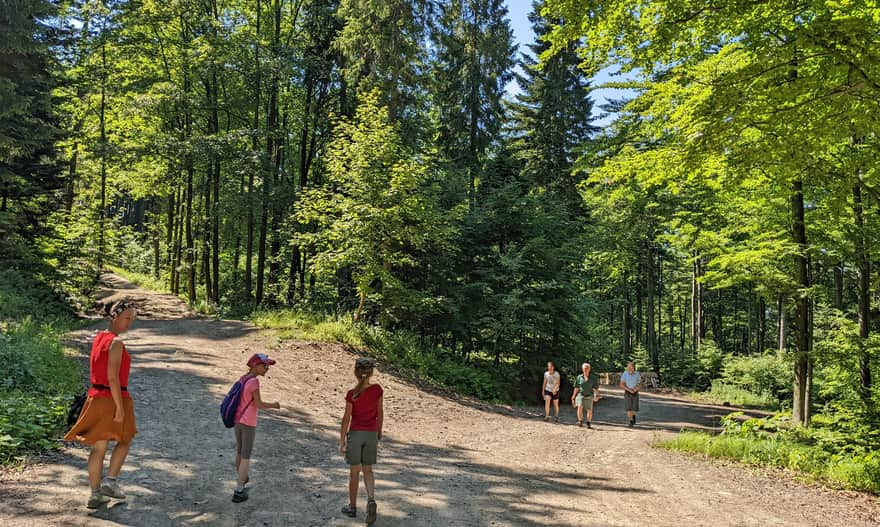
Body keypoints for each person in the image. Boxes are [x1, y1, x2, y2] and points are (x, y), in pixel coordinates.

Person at [65, 300, 138, 509]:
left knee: (99, 448)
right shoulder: (116, 342)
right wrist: (120, 408)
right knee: (125, 438)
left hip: (95, 397)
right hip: (113, 397)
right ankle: (111, 482)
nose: (129, 323)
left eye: (132, 319)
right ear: (115, 316)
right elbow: (113, 378)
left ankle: (95, 494)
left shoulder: (99, 338)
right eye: (127, 318)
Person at [231, 353, 282, 503]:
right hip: (248, 423)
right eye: (264, 365)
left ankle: (242, 479)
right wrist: (274, 405)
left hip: (238, 421)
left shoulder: (243, 378)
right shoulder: (254, 382)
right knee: (246, 456)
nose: (267, 368)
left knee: (240, 452)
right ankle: (239, 490)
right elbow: (258, 404)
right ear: (255, 366)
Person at [339, 357, 384, 525]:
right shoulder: (378, 390)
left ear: (356, 372)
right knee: (368, 471)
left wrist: (342, 440)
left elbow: (346, 419)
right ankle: (371, 499)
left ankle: (352, 507)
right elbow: (380, 413)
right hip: (371, 433)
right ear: (371, 372)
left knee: (354, 473)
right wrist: (378, 432)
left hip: (356, 434)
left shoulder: (352, 394)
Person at [571, 362, 599, 428]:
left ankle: (588, 423)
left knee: (589, 410)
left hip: (589, 395)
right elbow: (576, 387)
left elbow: (595, 388)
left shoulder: (593, 378)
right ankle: (580, 421)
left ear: (589, 369)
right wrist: (574, 395)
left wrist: (597, 395)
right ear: (582, 369)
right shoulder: (579, 377)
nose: (585, 369)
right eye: (584, 368)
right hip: (581, 395)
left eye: (587, 368)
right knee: (580, 406)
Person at [620, 361, 641, 427]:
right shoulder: (625, 374)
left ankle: (633, 416)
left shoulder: (637, 374)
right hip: (627, 392)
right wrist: (629, 390)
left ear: (633, 367)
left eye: (630, 367)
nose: (629, 368)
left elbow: (640, 383)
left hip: (635, 392)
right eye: (628, 367)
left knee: (634, 408)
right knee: (629, 408)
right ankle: (631, 421)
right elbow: (621, 384)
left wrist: (635, 389)